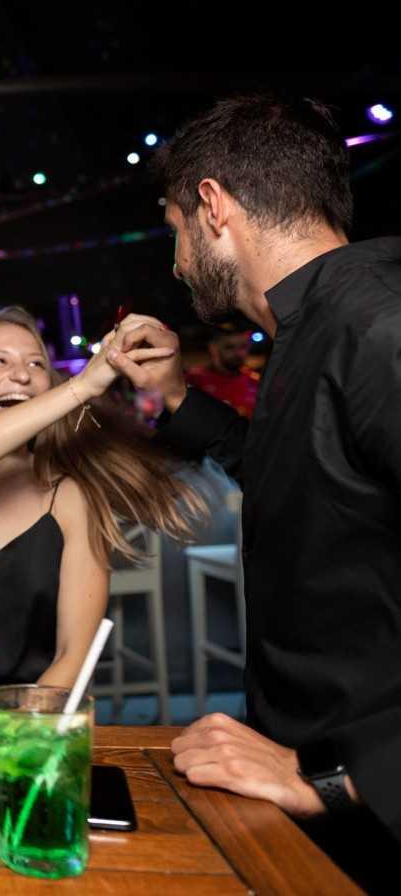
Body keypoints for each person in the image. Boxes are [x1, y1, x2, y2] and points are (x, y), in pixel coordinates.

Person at [106, 94, 400, 890]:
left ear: (213, 207)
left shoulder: (378, 328)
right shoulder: (316, 327)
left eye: (174, 229)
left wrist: (343, 779)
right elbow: (303, 478)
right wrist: (177, 394)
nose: (176, 263)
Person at [0, 307, 200, 686]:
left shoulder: (69, 495)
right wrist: (82, 386)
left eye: (36, 364)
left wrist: (19, 720)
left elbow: (72, 656)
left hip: (30, 711)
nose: (22, 375)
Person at [184, 324, 260, 418]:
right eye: (229, 347)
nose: (238, 353)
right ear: (213, 348)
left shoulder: (255, 382)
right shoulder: (194, 380)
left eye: (243, 346)